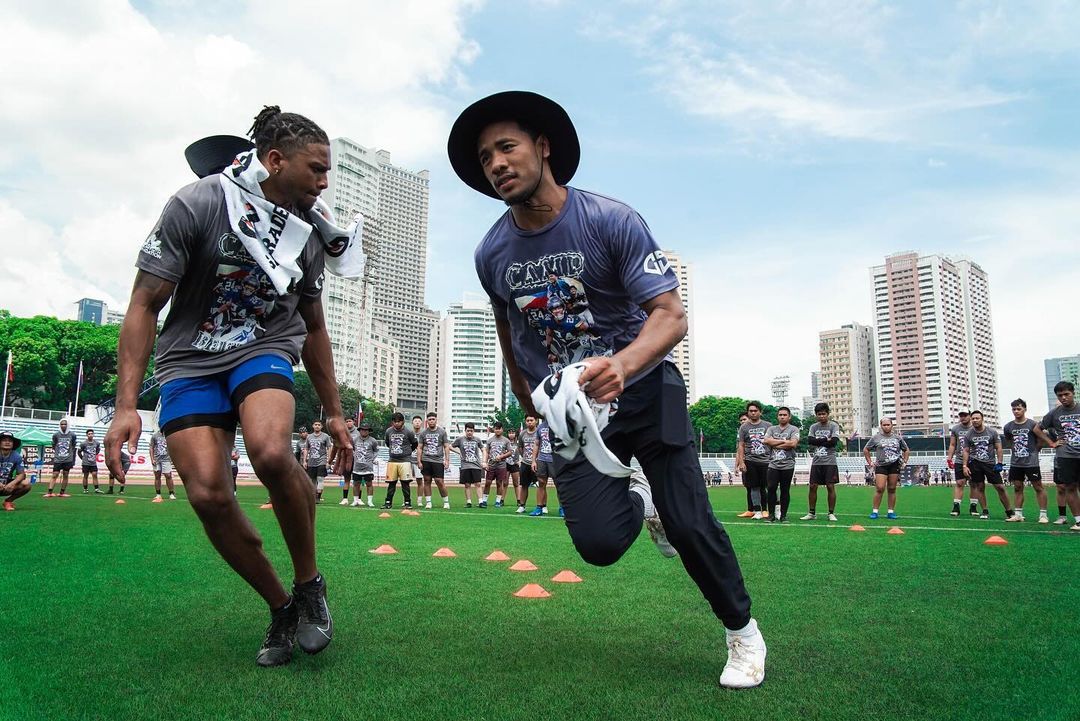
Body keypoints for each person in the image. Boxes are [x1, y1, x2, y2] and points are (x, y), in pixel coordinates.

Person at [448, 90, 764, 688]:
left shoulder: (611, 219)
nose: (497, 163)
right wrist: (528, 401)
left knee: (691, 522)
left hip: (646, 388)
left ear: (543, 148)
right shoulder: (491, 251)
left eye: (507, 146)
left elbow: (670, 315)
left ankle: (742, 634)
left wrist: (623, 363)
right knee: (598, 543)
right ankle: (639, 502)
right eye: (487, 156)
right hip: (571, 411)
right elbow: (507, 327)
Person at [105, 107, 355, 667]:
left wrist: (336, 413)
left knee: (269, 451)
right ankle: (281, 606)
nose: (323, 182)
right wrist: (126, 406)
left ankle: (310, 582)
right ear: (274, 161)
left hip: (263, 346)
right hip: (190, 361)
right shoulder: (196, 204)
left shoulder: (310, 232)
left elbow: (313, 329)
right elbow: (144, 304)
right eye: (316, 170)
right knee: (209, 495)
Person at [1036, 381, 1080, 531]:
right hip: (1065, 455)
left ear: (1073, 393)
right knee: (1070, 487)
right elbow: (1037, 428)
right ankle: (1078, 521)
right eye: (1060, 395)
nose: (1063, 398)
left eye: (1066, 394)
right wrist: (1051, 442)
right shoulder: (1054, 413)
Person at [962, 411, 1019, 521]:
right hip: (975, 463)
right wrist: (965, 466)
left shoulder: (992, 432)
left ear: (982, 419)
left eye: (977, 418)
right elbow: (966, 450)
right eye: (973, 418)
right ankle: (985, 510)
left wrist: (1000, 462)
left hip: (990, 463)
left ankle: (1009, 511)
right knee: (980, 487)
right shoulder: (969, 434)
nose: (975, 420)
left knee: (1000, 487)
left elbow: (998, 447)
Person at [1003, 398, 1047, 523]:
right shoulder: (1008, 426)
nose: (1016, 411)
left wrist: (1034, 452)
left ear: (1025, 409)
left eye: (1019, 409)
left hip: (1031, 462)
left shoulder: (1033, 424)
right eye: (1014, 409)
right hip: (1016, 462)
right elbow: (1009, 440)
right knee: (1017, 487)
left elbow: (1041, 439)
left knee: (1038, 487)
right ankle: (1018, 514)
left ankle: (1043, 515)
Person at [863, 418, 909, 519]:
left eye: (888, 424)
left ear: (892, 425)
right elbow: (866, 449)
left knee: (892, 489)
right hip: (881, 465)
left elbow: (906, 449)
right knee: (880, 488)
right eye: (884, 425)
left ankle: (891, 511)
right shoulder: (876, 438)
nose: (886, 426)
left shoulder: (898, 438)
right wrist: (870, 462)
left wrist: (905, 461)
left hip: (894, 465)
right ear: (881, 426)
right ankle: (875, 511)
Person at [801, 403, 840, 521]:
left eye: (823, 414)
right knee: (813, 486)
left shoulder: (833, 425)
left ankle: (831, 513)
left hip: (830, 461)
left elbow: (833, 442)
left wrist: (818, 441)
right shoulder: (813, 427)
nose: (821, 416)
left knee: (830, 486)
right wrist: (824, 439)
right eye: (819, 414)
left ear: (828, 413)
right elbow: (810, 441)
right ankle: (811, 513)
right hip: (817, 461)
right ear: (816, 415)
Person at [762, 407, 799, 523]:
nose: (782, 417)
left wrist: (775, 443)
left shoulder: (794, 429)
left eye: (785, 415)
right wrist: (784, 442)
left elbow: (793, 443)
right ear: (777, 416)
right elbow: (766, 441)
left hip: (788, 464)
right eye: (780, 415)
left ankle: (783, 516)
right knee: (771, 488)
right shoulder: (772, 429)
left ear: (789, 416)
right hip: (773, 464)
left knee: (785, 489)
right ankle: (771, 515)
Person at [736, 402, 771, 520]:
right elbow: (741, 445)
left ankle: (765, 510)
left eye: (755, 410)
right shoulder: (744, 427)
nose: (753, 413)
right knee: (753, 487)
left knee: (766, 486)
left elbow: (773, 442)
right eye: (750, 411)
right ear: (748, 412)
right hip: (750, 460)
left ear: (760, 412)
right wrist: (741, 462)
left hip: (766, 460)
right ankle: (757, 511)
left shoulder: (768, 425)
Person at [416, 412, 451, 509]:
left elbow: (446, 446)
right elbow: (420, 447)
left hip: (438, 460)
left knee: (439, 481)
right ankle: (428, 502)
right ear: (427, 421)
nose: (431, 421)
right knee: (427, 480)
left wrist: (447, 460)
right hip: (426, 459)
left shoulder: (442, 432)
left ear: (436, 420)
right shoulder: (423, 433)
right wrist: (419, 461)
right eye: (429, 419)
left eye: (433, 419)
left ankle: (446, 502)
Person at [947, 411, 979, 517]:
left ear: (969, 416)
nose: (963, 417)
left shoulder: (975, 427)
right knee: (960, 483)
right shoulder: (956, 429)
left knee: (974, 483)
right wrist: (949, 458)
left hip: (974, 459)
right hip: (960, 459)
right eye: (961, 416)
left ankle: (973, 506)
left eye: (965, 415)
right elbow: (952, 444)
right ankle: (956, 506)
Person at [383, 412, 417, 509]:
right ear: (392, 422)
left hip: (405, 461)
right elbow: (387, 443)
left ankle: (407, 502)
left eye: (399, 421)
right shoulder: (388, 431)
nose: (397, 423)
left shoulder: (409, 432)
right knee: (391, 483)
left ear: (403, 422)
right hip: (392, 460)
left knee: (405, 483)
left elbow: (415, 443)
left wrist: (408, 452)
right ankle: (388, 502)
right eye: (395, 421)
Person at [451, 423, 484, 507]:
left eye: (471, 431)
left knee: (478, 484)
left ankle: (480, 502)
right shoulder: (460, 439)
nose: (469, 432)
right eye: (468, 431)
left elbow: (483, 449)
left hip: (476, 465)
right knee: (467, 484)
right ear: (465, 431)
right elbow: (450, 446)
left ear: (474, 431)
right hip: (465, 465)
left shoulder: (477, 439)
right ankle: (469, 502)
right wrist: (458, 452)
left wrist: (484, 461)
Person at [481, 422, 512, 508]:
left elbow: (510, 452)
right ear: (493, 429)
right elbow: (487, 452)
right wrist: (485, 462)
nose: (497, 430)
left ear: (502, 429)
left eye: (499, 428)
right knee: (488, 482)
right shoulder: (490, 440)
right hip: (491, 465)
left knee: (499, 483)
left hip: (501, 465)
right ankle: (484, 501)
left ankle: (498, 501)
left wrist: (501, 456)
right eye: (496, 428)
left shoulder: (506, 440)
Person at [529, 419, 556, 516]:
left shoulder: (559, 423)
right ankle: (539, 507)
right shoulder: (540, 427)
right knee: (541, 483)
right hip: (542, 458)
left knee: (559, 484)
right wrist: (533, 461)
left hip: (555, 459)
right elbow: (536, 444)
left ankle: (563, 508)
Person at [46, 419, 78, 497]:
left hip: (68, 459)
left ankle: (62, 492)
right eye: (62, 424)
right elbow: (53, 445)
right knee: (55, 474)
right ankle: (50, 492)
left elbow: (73, 445)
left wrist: (69, 453)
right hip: (58, 458)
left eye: (65, 424)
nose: (63, 426)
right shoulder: (56, 435)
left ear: (67, 425)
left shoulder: (72, 435)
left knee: (65, 474)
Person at [350, 422, 379, 507]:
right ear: (359, 430)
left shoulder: (373, 440)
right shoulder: (355, 440)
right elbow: (352, 449)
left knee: (369, 484)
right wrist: (354, 455)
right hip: (357, 466)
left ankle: (370, 501)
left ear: (369, 431)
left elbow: (376, 451)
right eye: (362, 430)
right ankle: (355, 500)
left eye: (366, 430)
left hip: (368, 467)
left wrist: (372, 459)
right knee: (356, 484)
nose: (364, 431)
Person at [304, 420, 333, 504]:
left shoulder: (325, 436)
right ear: (313, 426)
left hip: (322, 460)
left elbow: (329, 447)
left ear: (321, 427)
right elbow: (306, 448)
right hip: (311, 460)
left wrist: (329, 460)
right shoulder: (309, 437)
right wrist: (305, 460)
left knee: (320, 478)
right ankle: (313, 496)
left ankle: (318, 497)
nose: (317, 426)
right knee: (312, 480)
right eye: (315, 424)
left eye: (319, 425)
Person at [1, 431, 30, 511]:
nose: (7, 442)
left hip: (6, 485)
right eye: (4, 440)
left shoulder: (16, 456)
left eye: (10, 441)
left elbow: (21, 474)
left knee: (26, 484)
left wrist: (11, 484)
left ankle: (8, 501)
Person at [517, 415, 540, 513]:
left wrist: (536, 459)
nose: (529, 422)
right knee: (524, 485)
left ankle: (542, 505)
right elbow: (520, 447)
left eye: (531, 420)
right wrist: (525, 457)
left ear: (536, 421)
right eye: (527, 420)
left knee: (541, 485)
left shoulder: (539, 432)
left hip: (538, 463)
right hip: (525, 463)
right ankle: (522, 506)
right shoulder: (522, 434)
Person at [333, 418, 357, 505]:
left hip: (356, 459)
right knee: (346, 479)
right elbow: (336, 444)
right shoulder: (341, 433)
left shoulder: (358, 432)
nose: (348, 423)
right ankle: (345, 498)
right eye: (346, 421)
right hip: (346, 459)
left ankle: (358, 499)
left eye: (350, 421)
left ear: (353, 422)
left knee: (357, 480)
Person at [150, 427, 177, 502]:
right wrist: (152, 459)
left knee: (168, 475)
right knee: (157, 476)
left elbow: (173, 447)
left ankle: (171, 493)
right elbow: (151, 448)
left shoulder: (169, 435)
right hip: (157, 459)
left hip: (166, 459)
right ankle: (158, 494)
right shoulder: (155, 436)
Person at [77, 429, 101, 495]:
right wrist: (82, 458)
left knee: (94, 474)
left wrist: (94, 455)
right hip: (86, 463)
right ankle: (85, 489)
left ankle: (96, 489)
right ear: (87, 435)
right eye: (89, 434)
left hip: (93, 462)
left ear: (93, 434)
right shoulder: (83, 443)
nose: (90, 435)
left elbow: (98, 450)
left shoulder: (97, 443)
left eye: (92, 434)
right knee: (86, 475)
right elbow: (79, 451)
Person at [506, 427, 522, 506]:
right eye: (510, 433)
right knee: (505, 483)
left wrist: (520, 460)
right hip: (506, 463)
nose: (511, 434)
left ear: (515, 434)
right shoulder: (505, 442)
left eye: (513, 433)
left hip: (515, 464)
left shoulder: (518, 443)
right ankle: (501, 500)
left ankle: (519, 500)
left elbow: (522, 451)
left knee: (516, 483)